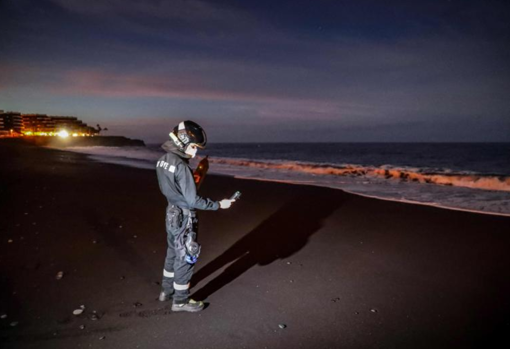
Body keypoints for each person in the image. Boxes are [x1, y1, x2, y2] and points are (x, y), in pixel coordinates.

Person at [155, 120, 234, 312]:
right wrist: (218, 205)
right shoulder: (182, 167)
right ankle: (180, 300)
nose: (195, 151)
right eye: (193, 146)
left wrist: (198, 172)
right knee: (187, 256)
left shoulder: (164, 160)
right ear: (182, 142)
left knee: (173, 252)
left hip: (171, 213)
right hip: (184, 217)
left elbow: (176, 188)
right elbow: (192, 200)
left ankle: (166, 291)